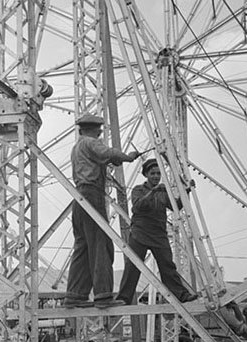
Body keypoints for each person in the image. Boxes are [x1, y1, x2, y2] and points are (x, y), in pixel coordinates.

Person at [64, 113, 140, 308]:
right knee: (101, 245)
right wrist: (127, 157)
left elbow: (102, 159)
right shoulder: (90, 142)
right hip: (92, 195)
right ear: (94, 129)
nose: (100, 132)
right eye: (98, 129)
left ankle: (75, 294)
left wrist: (112, 160)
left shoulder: (78, 147)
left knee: (82, 247)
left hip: (79, 198)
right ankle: (103, 295)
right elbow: (109, 153)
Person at [117, 158, 198, 305]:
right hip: (140, 233)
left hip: (159, 234)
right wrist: (153, 192)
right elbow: (138, 206)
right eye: (152, 173)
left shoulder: (163, 192)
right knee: (133, 266)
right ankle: (124, 298)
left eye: (158, 173)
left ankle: (181, 294)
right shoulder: (138, 190)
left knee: (167, 265)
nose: (156, 176)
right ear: (146, 175)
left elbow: (175, 206)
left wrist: (187, 191)